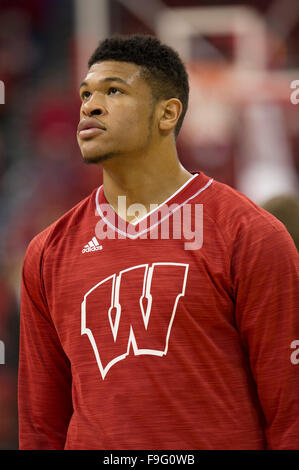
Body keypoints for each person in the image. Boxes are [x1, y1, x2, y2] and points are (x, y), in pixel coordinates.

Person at [18, 34, 299, 450]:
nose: (89, 106)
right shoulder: (47, 252)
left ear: (167, 114)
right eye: (85, 94)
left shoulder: (251, 235)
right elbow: (41, 427)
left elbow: (290, 415)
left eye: (114, 91)